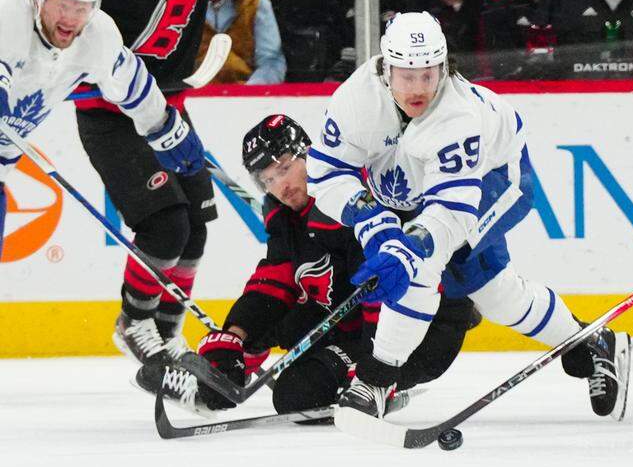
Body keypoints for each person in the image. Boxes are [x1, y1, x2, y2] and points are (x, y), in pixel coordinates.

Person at [306, 12, 632, 429]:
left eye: (429, 74)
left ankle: (376, 380)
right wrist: (376, 225)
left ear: (444, 67)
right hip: (418, 185)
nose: (419, 88)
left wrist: (408, 247)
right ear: (385, 69)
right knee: (479, 286)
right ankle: (594, 340)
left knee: (441, 269)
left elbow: (452, 211)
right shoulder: (356, 100)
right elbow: (327, 174)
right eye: (407, 76)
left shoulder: (456, 116)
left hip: (496, 179)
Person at [65, 0, 307, 365]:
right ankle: (134, 322)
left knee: (195, 226)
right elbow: (55, 11)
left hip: (167, 109)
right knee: (164, 225)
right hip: (108, 112)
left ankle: (167, 330)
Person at [135, 114, 480, 417]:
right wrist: (235, 337)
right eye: (267, 179)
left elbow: (386, 293)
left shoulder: (354, 197)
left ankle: (385, 390)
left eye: (284, 168)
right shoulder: (286, 217)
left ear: (309, 153)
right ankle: (218, 382)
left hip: (416, 333)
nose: (280, 186)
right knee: (277, 325)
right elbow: (273, 284)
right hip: (349, 325)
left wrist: (374, 374)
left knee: (296, 394)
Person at [0, 0, 203, 262]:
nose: (71, 18)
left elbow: (131, 84)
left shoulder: (97, 35)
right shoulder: (9, 16)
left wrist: (164, 127)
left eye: (82, 8)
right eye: (63, 5)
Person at [198, 0, 287, 84]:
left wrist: (247, 93)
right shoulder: (183, 7)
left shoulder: (255, 5)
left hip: (246, 92)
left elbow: (271, 61)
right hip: (191, 96)